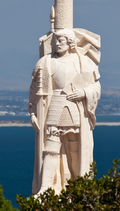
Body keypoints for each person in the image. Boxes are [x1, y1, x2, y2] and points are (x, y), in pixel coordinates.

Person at [28, 29, 101, 195]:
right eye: (56, 40)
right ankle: (45, 189)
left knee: (75, 150)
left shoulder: (82, 62)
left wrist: (84, 93)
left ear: (70, 42)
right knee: (50, 149)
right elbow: (34, 90)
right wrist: (33, 113)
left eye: (61, 40)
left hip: (75, 109)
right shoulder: (46, 62)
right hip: (53, 107)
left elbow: (95, 86)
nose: (57, 44)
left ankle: (78, 187)